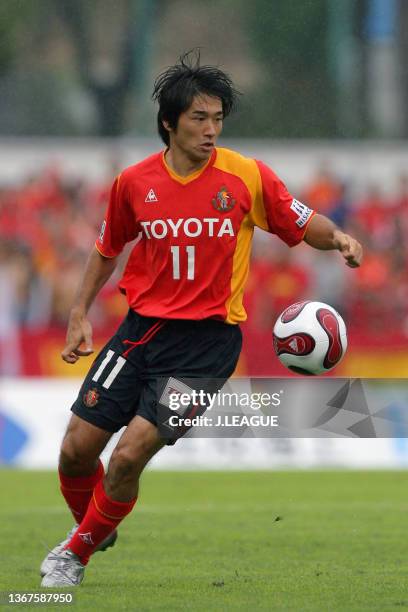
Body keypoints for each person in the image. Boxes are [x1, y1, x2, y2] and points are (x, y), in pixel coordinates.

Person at [40, 51, 363, 587]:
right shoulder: (133, 183)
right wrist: (78, 314)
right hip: (140, 332)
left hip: (208, 348)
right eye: (199, 118)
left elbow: (301, 222)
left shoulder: (246, 176)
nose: (212, 130)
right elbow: (106, 248)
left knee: (128, 458)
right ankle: (93, 527)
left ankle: (73, 555)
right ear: (169, 122)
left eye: (218, 119)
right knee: (75, 453)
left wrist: (339, 240)